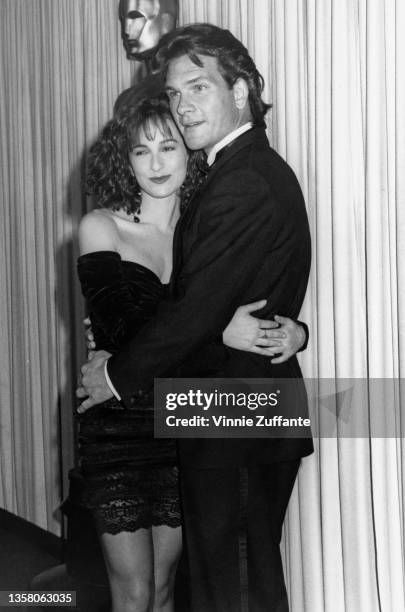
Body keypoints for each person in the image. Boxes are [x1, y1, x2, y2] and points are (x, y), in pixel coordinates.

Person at [75, 73, 307, 612]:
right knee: (133, 595)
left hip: (188, 422)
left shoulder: (204, 226)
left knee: (167, 589)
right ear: (124, 160)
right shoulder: (100, 226)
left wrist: (295, 330)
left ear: (189, 152)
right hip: (122, 424)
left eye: (168, 146)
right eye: (141, 150)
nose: (156, 163)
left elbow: (258, 290)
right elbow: (116, 323)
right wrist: (217, 324)